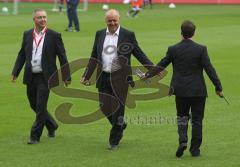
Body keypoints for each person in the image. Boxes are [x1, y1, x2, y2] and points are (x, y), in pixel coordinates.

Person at [142, 20, 223, 157]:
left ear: (181, 33)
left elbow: (162, 64)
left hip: (180, 90)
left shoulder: (173, 49)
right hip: (198, 91)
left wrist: (148, 74)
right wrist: (218, 87)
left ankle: (183, 141)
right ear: (194, 33)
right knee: (197, 120)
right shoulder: (201, 49)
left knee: (182, 117)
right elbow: (209, 69)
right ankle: (195, 149)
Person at [81, 9, 153, 150]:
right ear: (106, 21)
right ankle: (120, 124)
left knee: (118, 110)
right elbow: (94, 56)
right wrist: (86, 74)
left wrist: (152, 69)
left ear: (119, 19)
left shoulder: (128, 35)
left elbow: (139, 53)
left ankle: (114, 141)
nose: (112, 23)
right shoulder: (100, 34)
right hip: (104, 77)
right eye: (110, 20)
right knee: (104, 108)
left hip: (121, 79)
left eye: (115, 20)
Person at [11, 9, 71, 144]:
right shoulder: (27, 34)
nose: (43, 19)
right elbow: (22, 54)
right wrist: (16, 72)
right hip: (30, 76)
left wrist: (66, 76)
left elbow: (62, 56)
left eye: (44, 17)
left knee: (40, 105)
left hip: (47, 77)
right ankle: (51, 124)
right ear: (34, 20)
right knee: (34, 105)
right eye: (39, 17)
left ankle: (34, 136)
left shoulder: (54, 35)